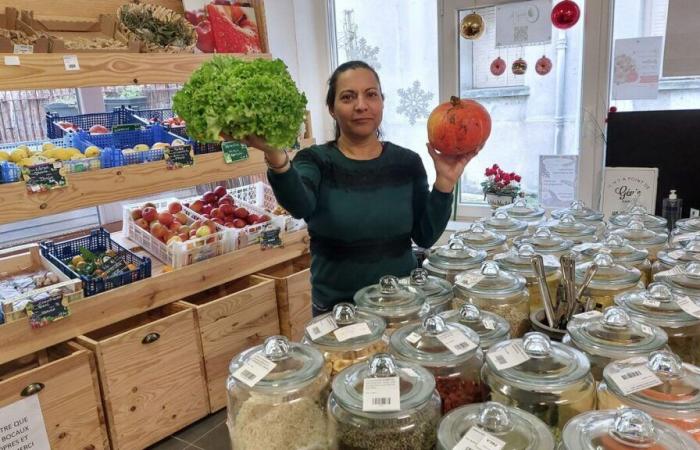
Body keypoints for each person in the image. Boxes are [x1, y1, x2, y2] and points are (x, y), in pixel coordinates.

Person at [243, 60, 474, 316]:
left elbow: (425, 236)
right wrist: (276, 156)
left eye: (371, 95)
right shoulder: (315, 160)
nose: (361, 105)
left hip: (400, 307)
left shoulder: (407, 162)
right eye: (348, 97)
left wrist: (445, 182)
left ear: (382, 102)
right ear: (332, 108)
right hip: (339, 312)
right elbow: (300, 205)